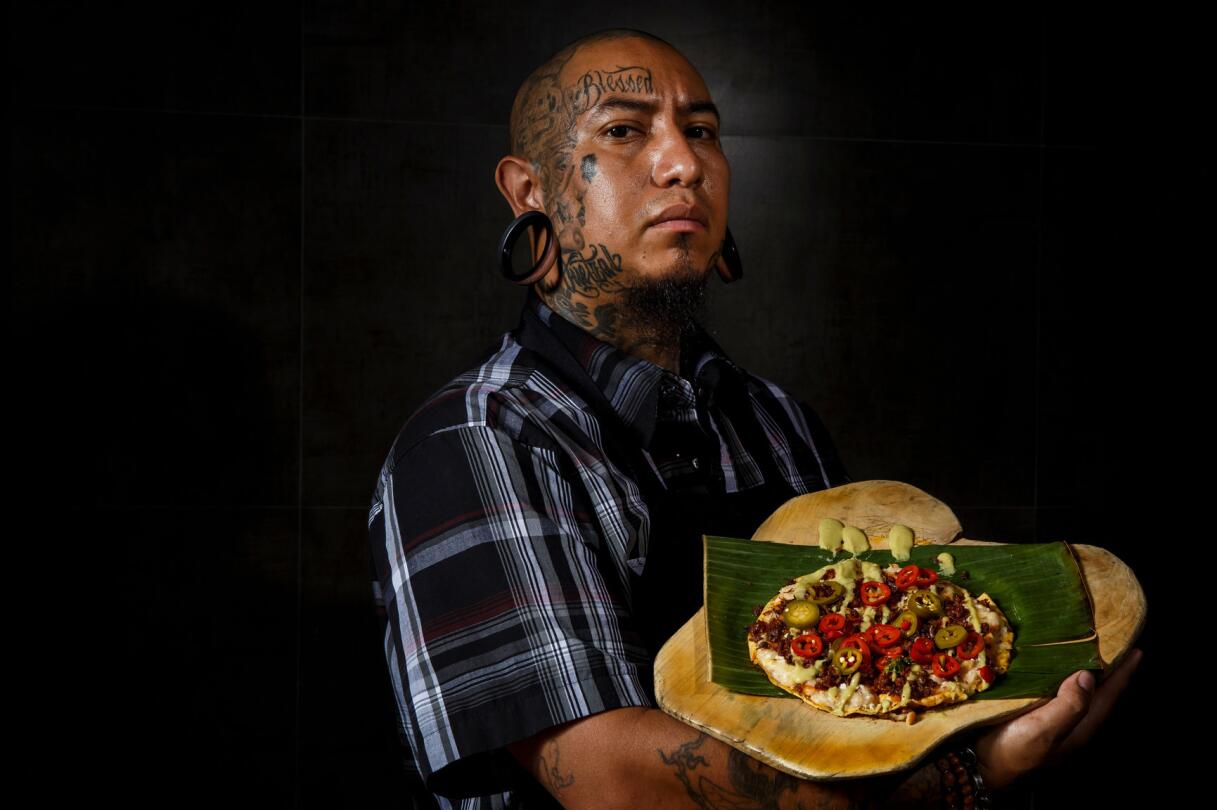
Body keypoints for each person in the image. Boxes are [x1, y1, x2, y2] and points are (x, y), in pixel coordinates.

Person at [369, 28, 1141, 810]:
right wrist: (964, 779)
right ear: (529, 192)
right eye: (625, 131)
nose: (685, 164)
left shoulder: (778, 422)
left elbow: (864, 708)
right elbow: (609, 780)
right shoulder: (476, 441)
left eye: (701, 132)